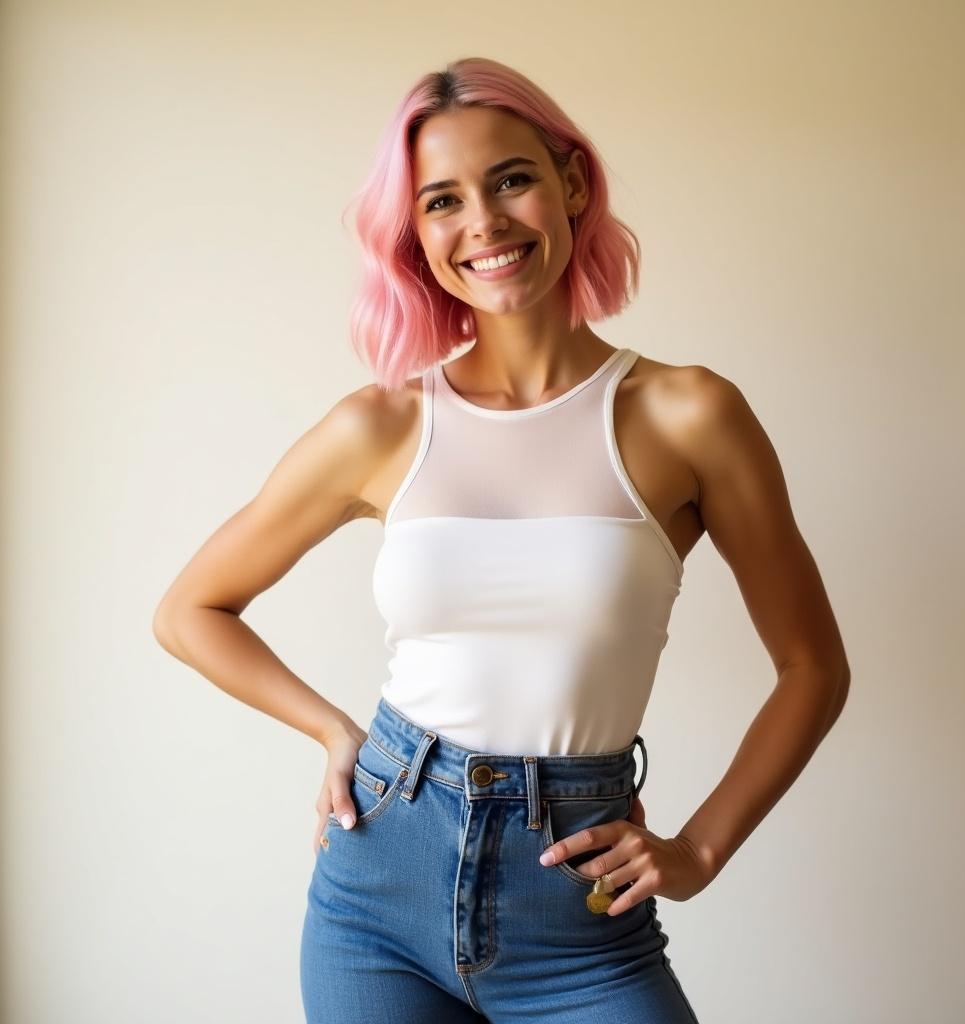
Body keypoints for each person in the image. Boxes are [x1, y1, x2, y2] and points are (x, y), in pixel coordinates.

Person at [153, 56, 850, 1024]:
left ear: (570, 181)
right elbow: (190, 610)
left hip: (576, 900)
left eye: (510, 178)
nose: (481, 221)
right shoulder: (381, 425)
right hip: (376, 895)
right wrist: (334, 732)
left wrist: (698, 850)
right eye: (442, 200)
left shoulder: (690, 414)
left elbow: (811, 665)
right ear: (416, 234)